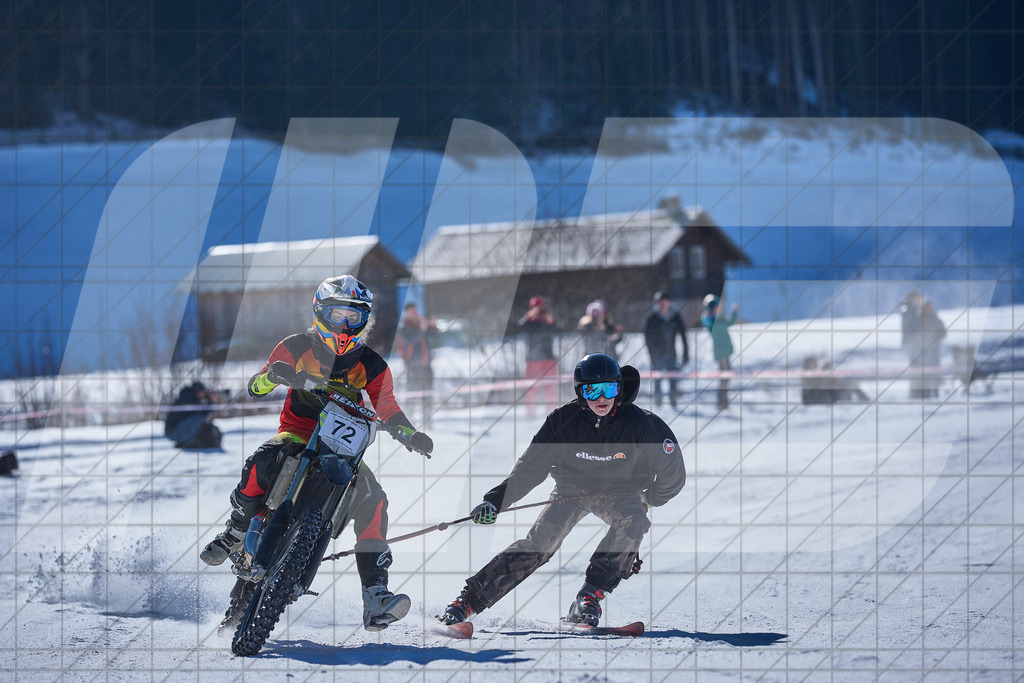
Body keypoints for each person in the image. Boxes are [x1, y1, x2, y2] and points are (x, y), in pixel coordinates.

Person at [200, 275, 434, 632]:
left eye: (354, 317)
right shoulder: (297, 346)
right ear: (321, 312)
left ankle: (375, 594)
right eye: (338, 314)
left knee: (374, 499)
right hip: (298, 432)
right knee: (263, 459)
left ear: (365, 320)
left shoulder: (371, 364)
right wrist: (274, 375)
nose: (345, 324)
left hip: (343, 448)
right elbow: (255, 386)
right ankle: (236, 529)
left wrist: (410, 433)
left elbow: (387, 406)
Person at [437, 353, 685, 628]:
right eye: (592, 391)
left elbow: (673, 475)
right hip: (572, 490)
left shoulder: (643, 425)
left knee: (634, 519)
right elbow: (530, 469)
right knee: (539, 546)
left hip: (620, 492)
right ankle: (467, 601)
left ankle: (588, 597)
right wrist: (495, 501)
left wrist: (648, 499)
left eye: (609, 388)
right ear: (580, 393)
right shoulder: (562, 422)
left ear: (619, 388)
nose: (601, 398)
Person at [395, 302, 439, 427]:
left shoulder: (421, 325)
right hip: (413, 367)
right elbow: (410, 340)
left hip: (426, 366)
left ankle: (428, 424)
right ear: (407, 313)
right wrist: (421, 330)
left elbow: (436, 337)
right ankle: (409, 423)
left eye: (417, 311)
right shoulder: (404, 328)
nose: (416, 314)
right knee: (412, 397)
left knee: (428, 396)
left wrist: (433, 326)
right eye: (413, 311)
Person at [643, 292, 689, 409]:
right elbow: (647, 337)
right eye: (660, 302)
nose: (663, 304)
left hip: (671, 353)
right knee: (657, 380)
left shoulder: (676, 317)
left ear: (669, 302)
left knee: (673, 379)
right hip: (657, 355)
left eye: (665, 301)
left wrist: (685, 354)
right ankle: (658, 405)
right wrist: (652, 354)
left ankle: (673, 403)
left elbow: (683, 336)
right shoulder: (653, 317)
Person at [518, 296, 560, 418]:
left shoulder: (547, 320)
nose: (539, 311)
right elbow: (519, 327)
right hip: (533, 361)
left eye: (540, 308)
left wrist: (550, 320)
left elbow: (557, 329)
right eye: (536, 308)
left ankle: (553, 415)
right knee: (531, 390)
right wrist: (529, 316)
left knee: (550, 389)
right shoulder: (529, 322)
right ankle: (530, 415)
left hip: (548, 359)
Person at [701, 294, 739, 410]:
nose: (720, 308)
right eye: (717, 306)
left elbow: (729, 322)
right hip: (720, 352)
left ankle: (723, 401)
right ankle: (721, 402)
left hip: (725, 352)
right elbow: (726, 324)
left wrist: (734, 312)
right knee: (724, 377)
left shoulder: (716, 318)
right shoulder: (710, 319)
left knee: (726, 377)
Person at [164, 380, 223, 449]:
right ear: (198, 391)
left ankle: (185, 442)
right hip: (174, 432)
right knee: (199, 419)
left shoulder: (187, 396)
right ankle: (187, 442)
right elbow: (202, 414)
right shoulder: (189, 398)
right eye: (202, 391)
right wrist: (210, 401)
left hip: (174, 431)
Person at [900, 291, 926, 399]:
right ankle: (915, 393)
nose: (919, 301)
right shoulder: (908, 310)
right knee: (916, 369)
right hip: (912, 344)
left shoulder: (912, 309)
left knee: (919, 368)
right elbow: (910, 327)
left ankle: (918, 392)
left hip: (915, 344)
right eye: (917, 298)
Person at [920, 300, 947, 398]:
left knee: (935, 372)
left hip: (934, 350)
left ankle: (936, 392)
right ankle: (925, 393)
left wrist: (936, 340)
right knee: (924, 373)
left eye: (929, 306)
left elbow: (943, 332)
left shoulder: (936, 320)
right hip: (923, 351)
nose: (927, 309)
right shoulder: (919, 319)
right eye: (926, 307)